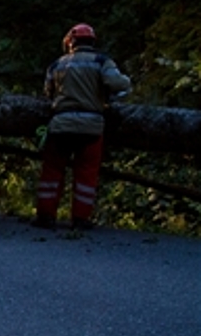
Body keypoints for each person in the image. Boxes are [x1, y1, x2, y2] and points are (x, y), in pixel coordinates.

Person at [33, 23, 132, 230]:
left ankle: (45, 215)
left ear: (71, 42)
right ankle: (80, 219)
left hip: (60, 125)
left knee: (52, 171)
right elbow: (119, 85)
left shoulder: (56, 65)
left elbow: (48, 93)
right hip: (92, 126)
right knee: (86, 173)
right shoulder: (101, 61)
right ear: (92, 42)